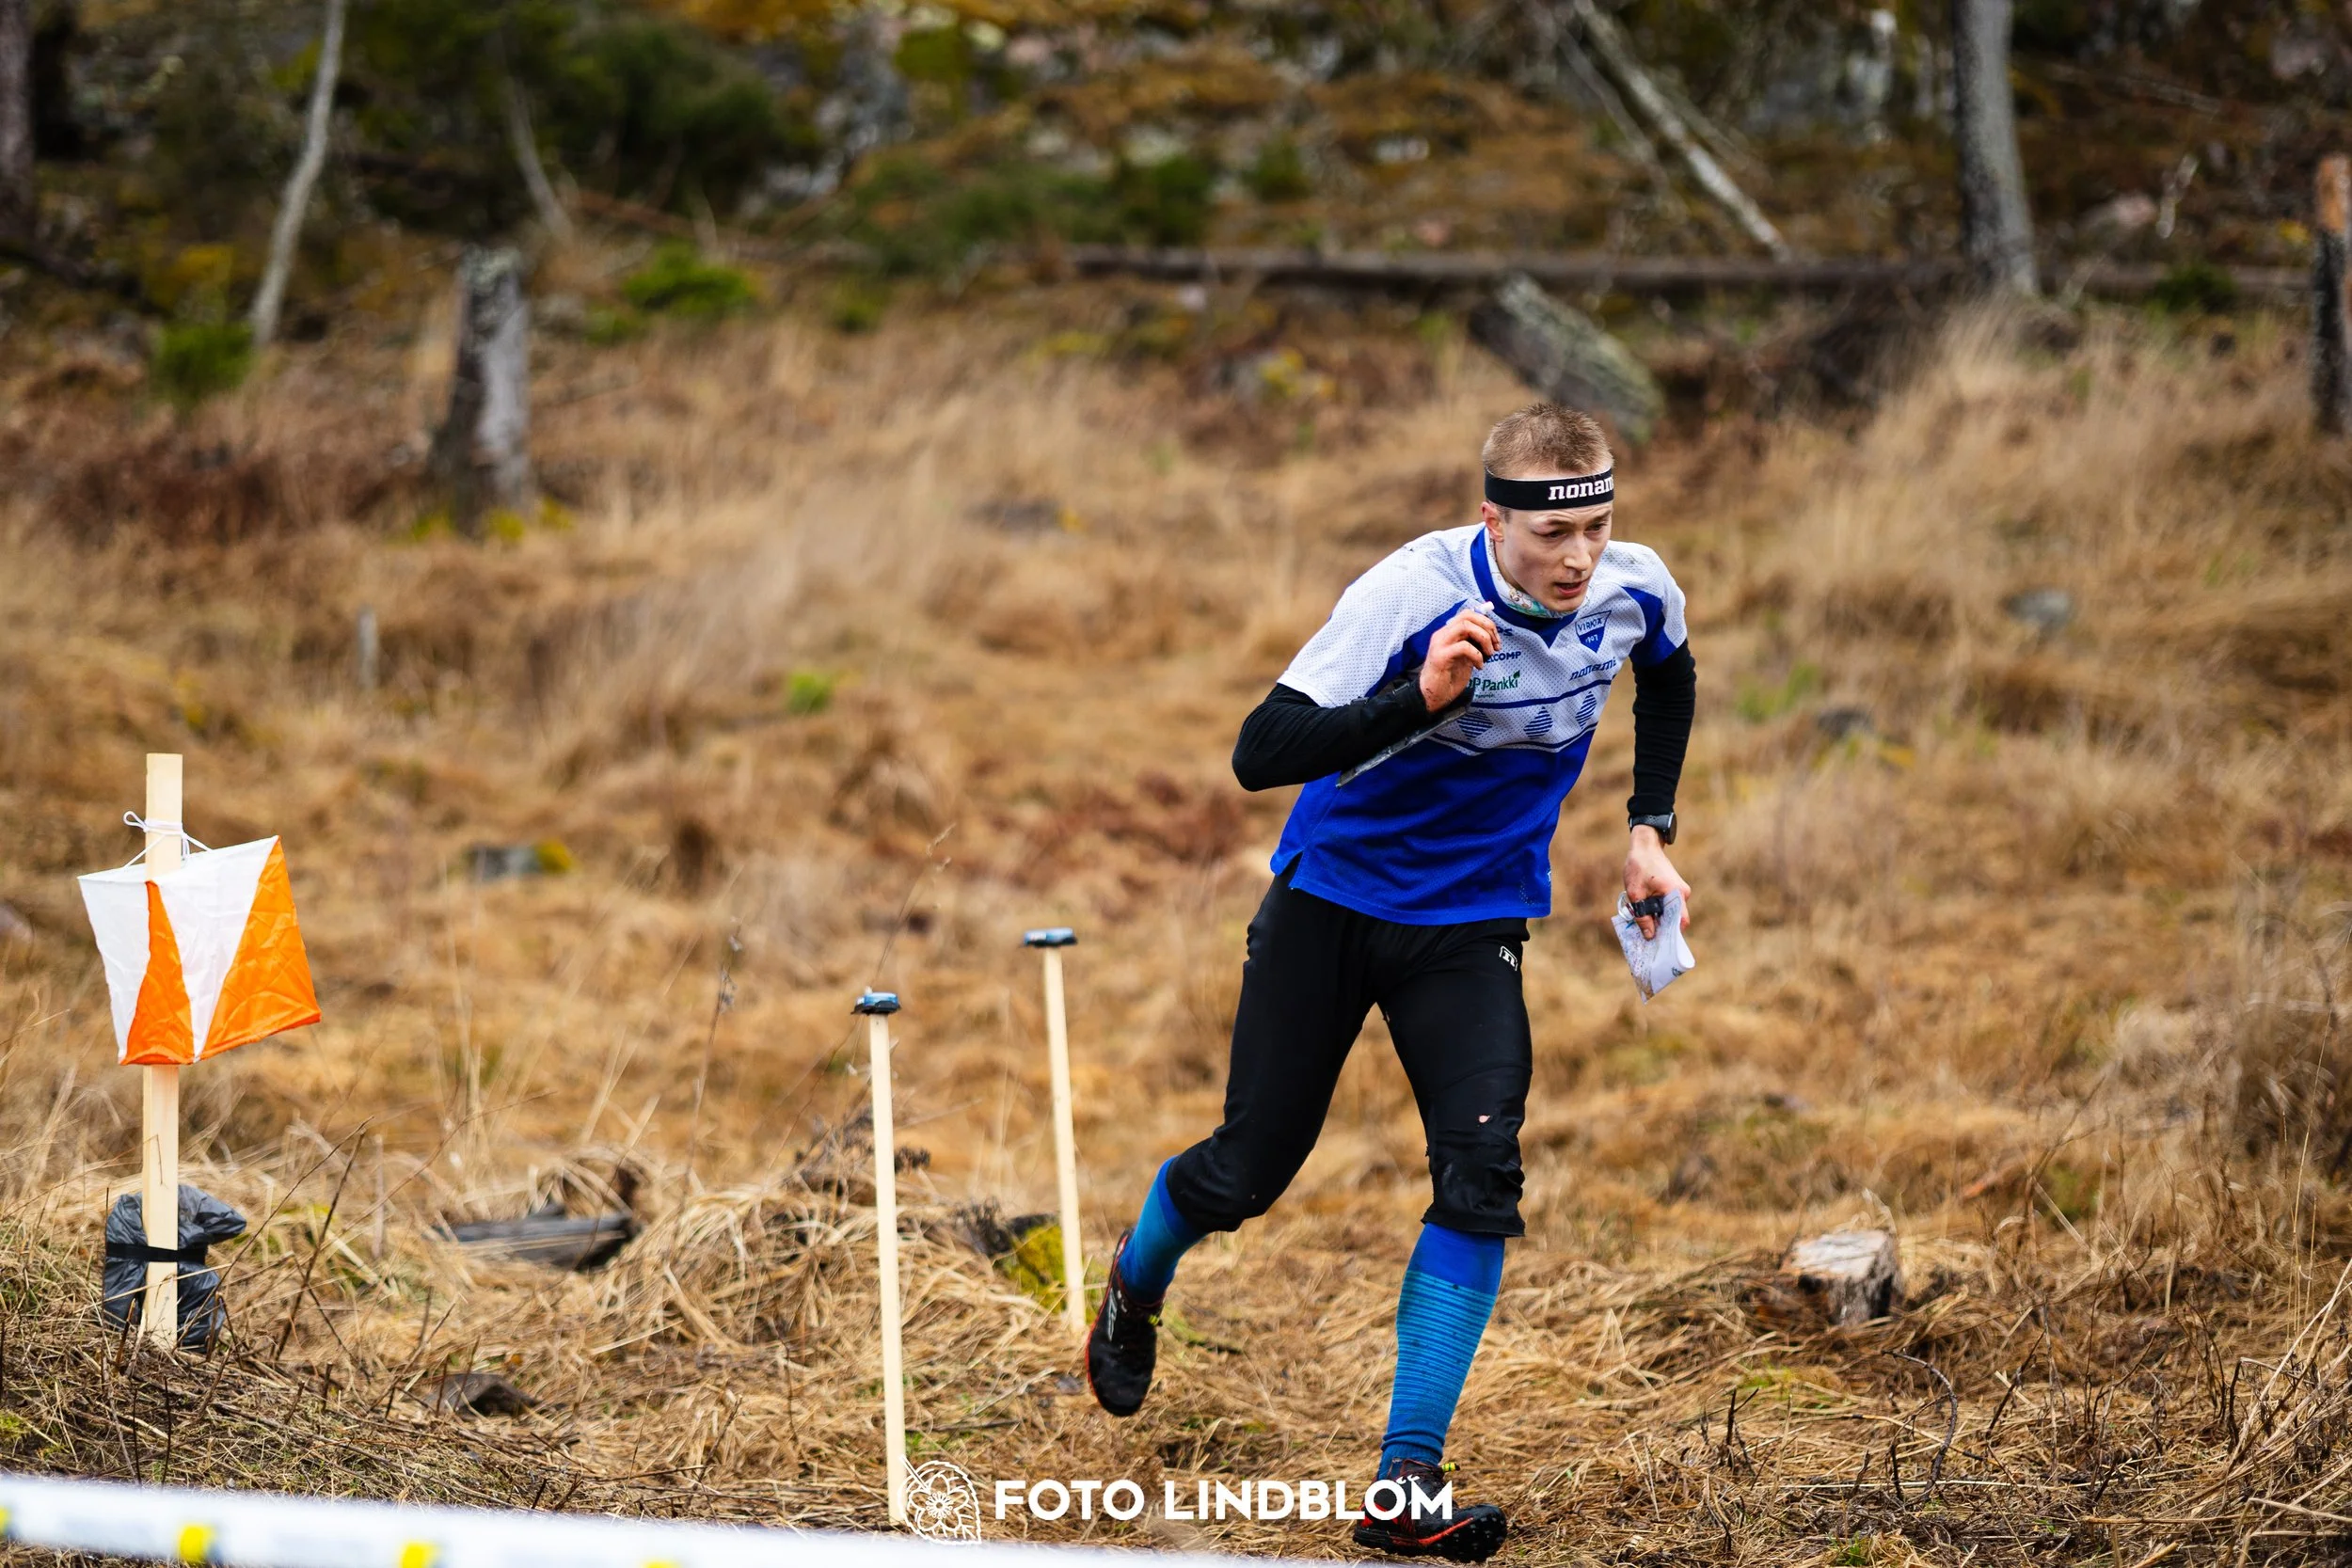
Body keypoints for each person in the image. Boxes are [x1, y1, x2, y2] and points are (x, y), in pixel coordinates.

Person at [1085, 401, 1697, 1561]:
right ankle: (1136, 1276)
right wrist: (1417, 698)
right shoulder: (1406, 593)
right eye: (1548, 538)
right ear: (1491, 520)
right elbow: (1258, 752)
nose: (1577, 559)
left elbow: (1669, 674)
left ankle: (1404, 1479)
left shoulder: (1633, 584)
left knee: (1481, 1170)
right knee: (1247, 1169)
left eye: (1597, 529)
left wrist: (1647, 826)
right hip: (1331, 905)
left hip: (1471, 924)